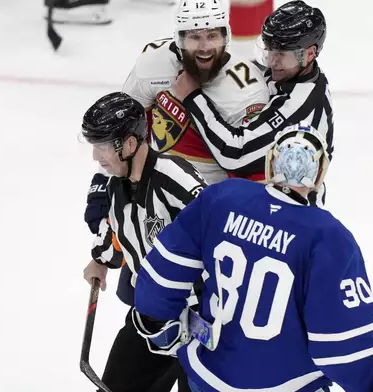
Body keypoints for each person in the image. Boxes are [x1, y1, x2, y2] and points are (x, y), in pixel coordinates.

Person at [132, 122, 373, 391]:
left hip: (208, 378)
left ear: (271, 162)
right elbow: (340, 350)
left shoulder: (223, 198)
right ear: (320, 172)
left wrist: (160, 326)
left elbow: (161, 275)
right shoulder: (329, 237)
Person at [83, 0, 270, 268]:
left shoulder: (247, 90)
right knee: (139, 293)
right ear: (179, 39)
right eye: (194, 37)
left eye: (212, 35)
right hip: (153, 205)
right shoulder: (152, 65)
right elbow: (122, 132)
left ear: (226, 36)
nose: (205, 47)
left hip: (210, 215)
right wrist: (104, 186)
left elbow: (251, 172)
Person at [80, 92, 207, 392]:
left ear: (130, 144)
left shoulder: (175, 179)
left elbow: (218, 242)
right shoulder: (117, 187)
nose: (96, 157)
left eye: (101, 146)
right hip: (151, 317)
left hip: (201, 325)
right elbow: (120, 233)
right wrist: (101, 259)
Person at [173, 0, 334, 206]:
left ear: (310, 54)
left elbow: (235, 154)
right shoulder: (291, 74)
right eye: (269, 50)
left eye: (281, 54)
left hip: (287, 219)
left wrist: (193, 97)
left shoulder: (300, 104)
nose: (272, 62)